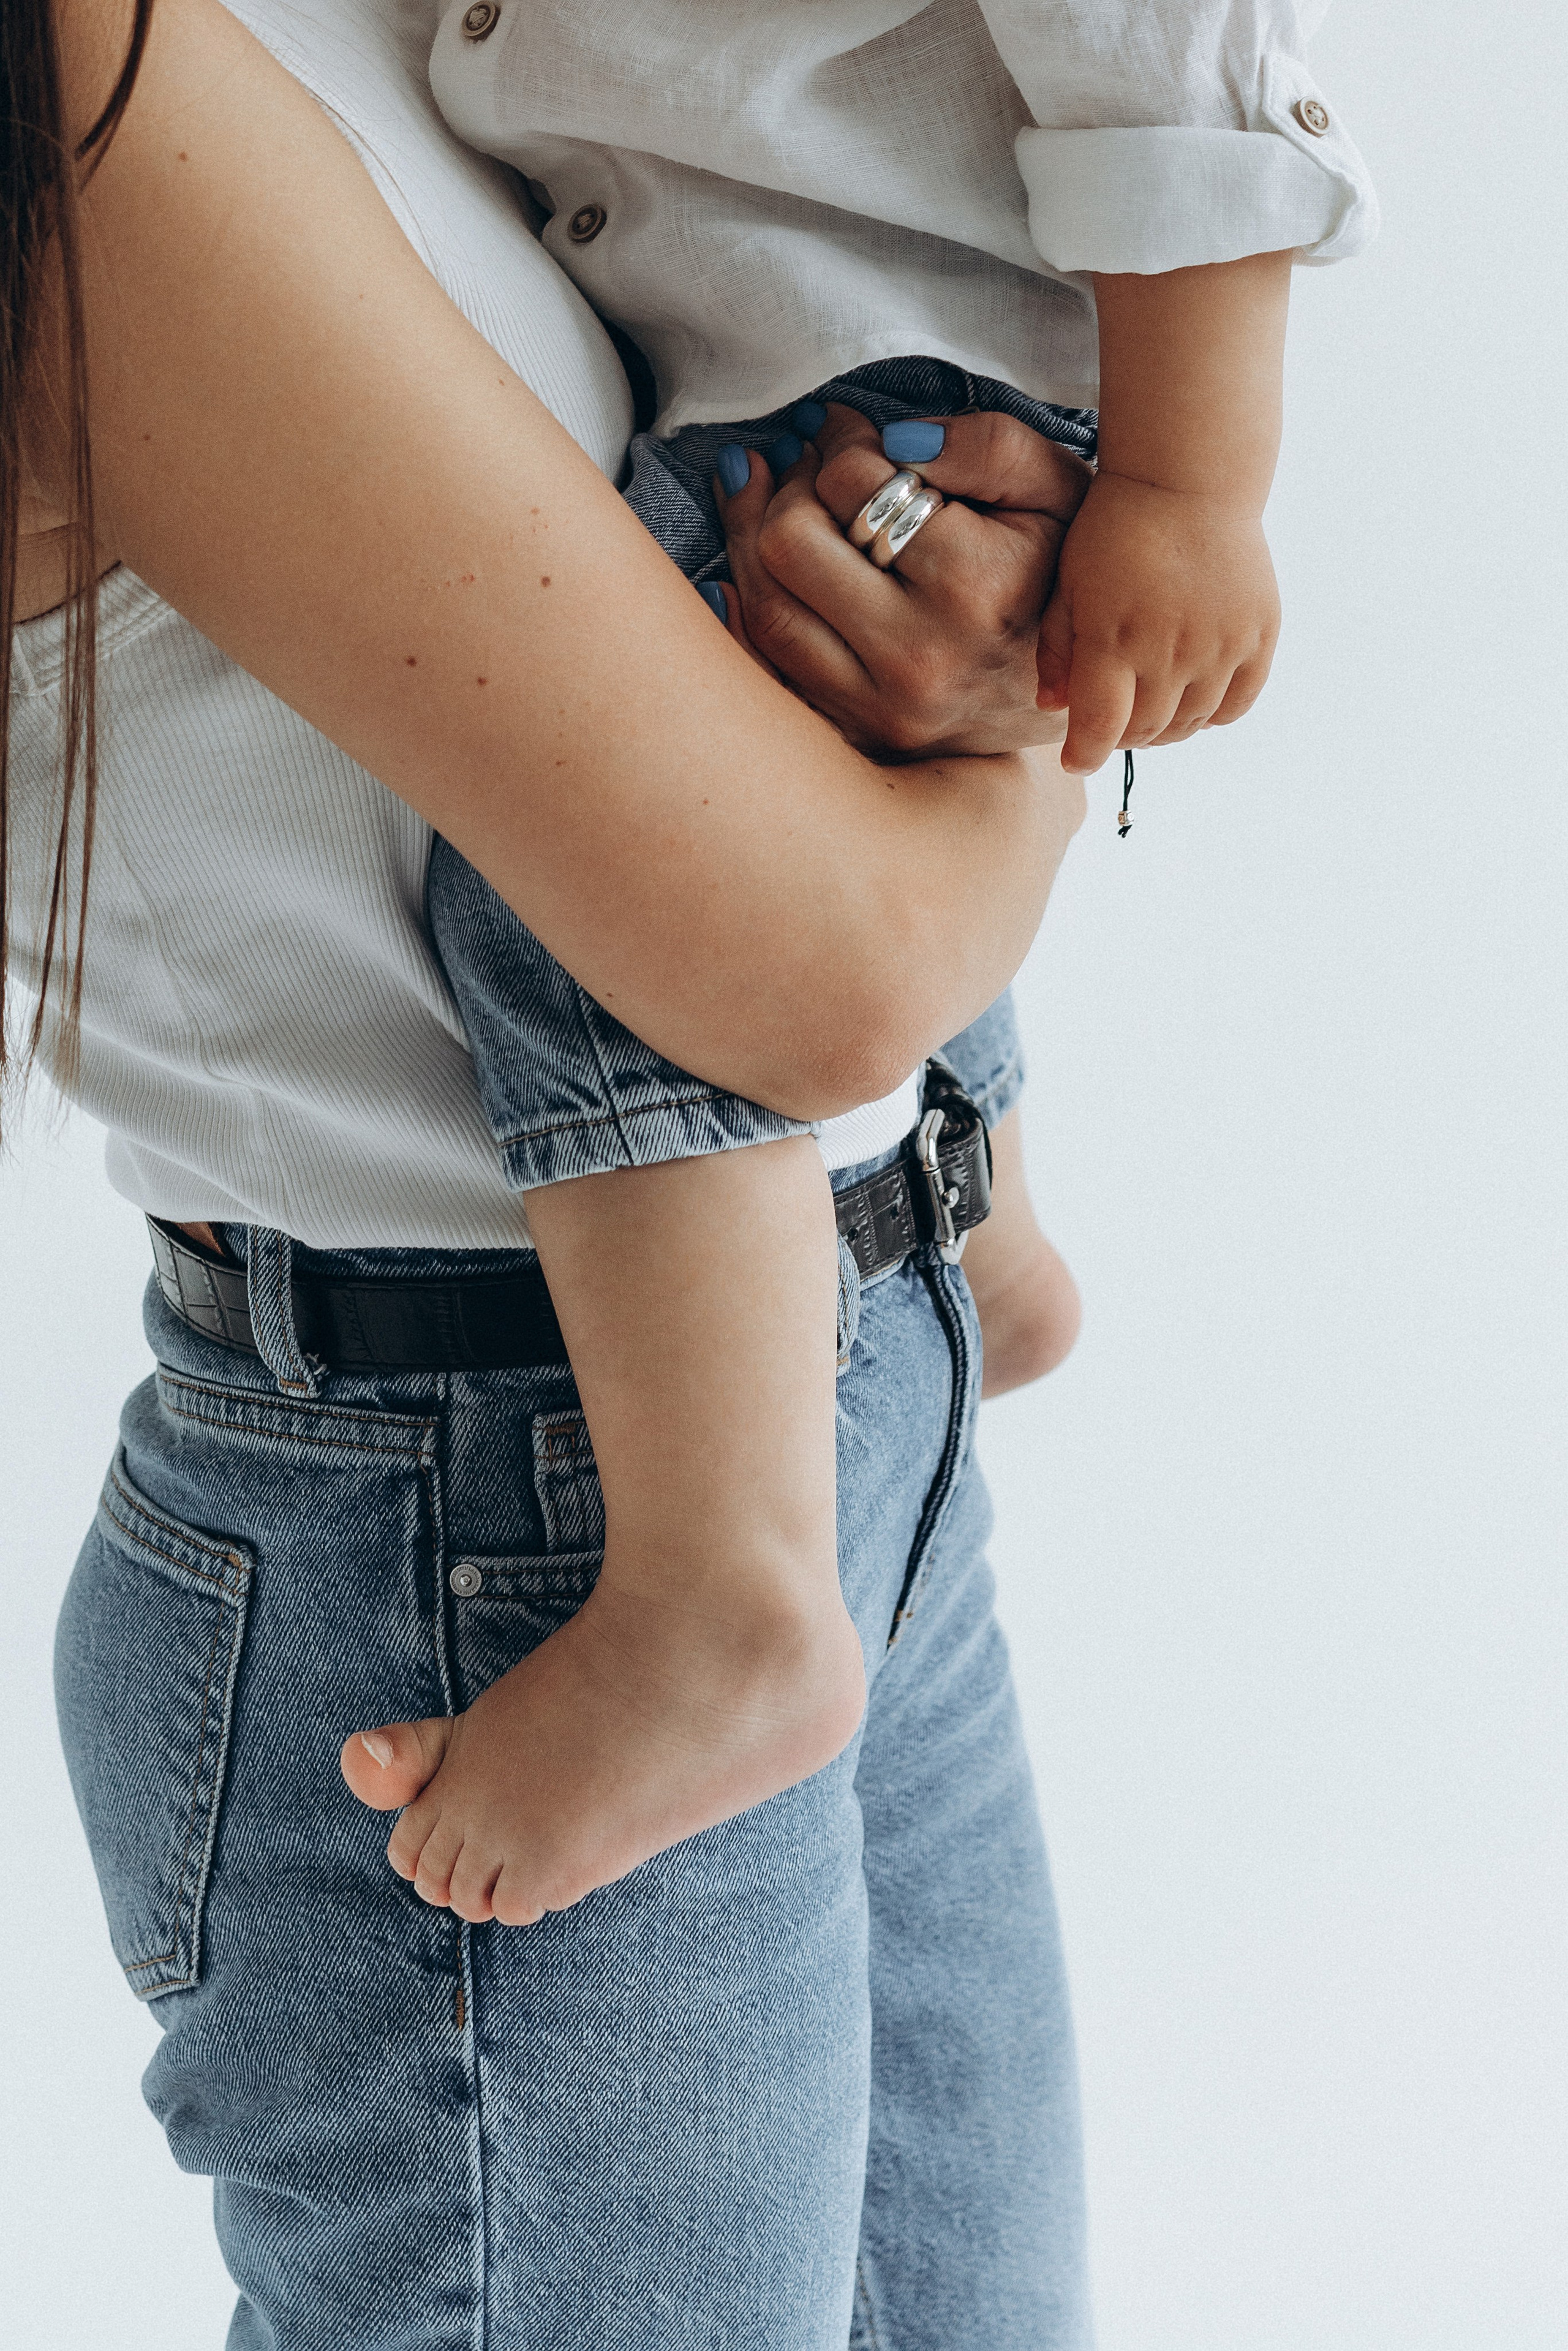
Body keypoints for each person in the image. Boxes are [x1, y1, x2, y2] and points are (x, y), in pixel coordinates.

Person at [8, 0, 1095, 2340]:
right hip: (484, 1530)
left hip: (829, 1405)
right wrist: (1031, 692)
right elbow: (802, 972)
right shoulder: (89, 92)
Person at [338, 0, 1378, 1925]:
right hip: (768, 344)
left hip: (883, 376)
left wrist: (1191, 490)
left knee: (586, 882)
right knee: (793, 787)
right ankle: (978, 1214)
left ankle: (720, 1594)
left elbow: (1180, 52)